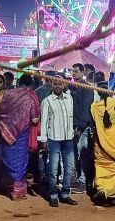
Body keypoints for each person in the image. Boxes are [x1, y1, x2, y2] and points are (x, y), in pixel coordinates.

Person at [0, 74, 40, 200]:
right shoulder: (31, 96)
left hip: (6, 132)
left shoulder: (8, 94)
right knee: (19, 161)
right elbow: (35, 119)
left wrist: (9, 123)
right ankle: (17, 192)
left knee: (7, 158)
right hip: (22, 134)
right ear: (30, 85)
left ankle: (7, 186)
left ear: (19, 82)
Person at [38, 77, 78, 208]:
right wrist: (43, 141)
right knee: (53, 169)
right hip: (54, 139)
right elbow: (43, 122)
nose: (57, 86)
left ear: (64, 85)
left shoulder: (69, 99)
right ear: (52, 85)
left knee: (69, 168)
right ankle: (53, 195)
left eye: (60, 83)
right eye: (55, 83)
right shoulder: (47, 101)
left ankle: (65, 194)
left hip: (68, 138)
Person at [90, 82, 115, 207]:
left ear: (97, 92)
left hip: (101, 146)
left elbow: (94, 124)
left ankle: (103, 190)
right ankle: (114, 196)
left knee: (101, 167)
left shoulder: (95, 106)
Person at [69, 63, 94, 194]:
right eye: (72, 71)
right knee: (74, 155)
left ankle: (84, 181)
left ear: (82, 72)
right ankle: (79, 179)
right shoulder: (70, 87)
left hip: (82, 128)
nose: (73, 73)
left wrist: (79, 127)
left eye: (76, 71)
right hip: (72, 127)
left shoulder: (87, 89)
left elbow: (86, 110)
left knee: (82, 154)